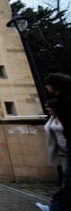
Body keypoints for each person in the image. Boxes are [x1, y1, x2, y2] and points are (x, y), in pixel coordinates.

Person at [36, 73, 71, 211]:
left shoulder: (66, 100)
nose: (46, 88)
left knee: (68, 180)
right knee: (67, 179)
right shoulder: (63, 100)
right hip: (64, 149)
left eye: (48, 85)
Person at [43, 98, 67, 186]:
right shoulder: (52, 119)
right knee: (66, 176)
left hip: (67, 147)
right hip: (61, 150)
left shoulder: (65, 117)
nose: (47, 109)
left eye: (48, 107)